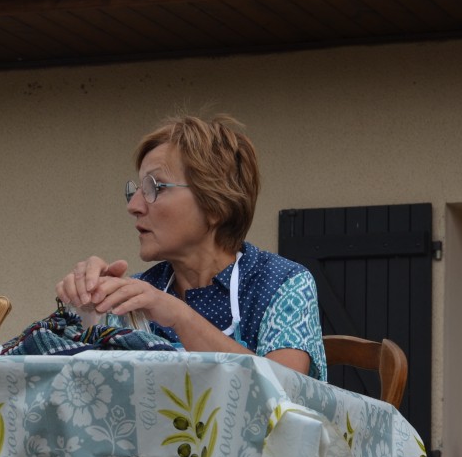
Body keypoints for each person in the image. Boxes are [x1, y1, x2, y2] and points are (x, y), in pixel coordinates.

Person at [56, 113, 326, 380]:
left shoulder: (282, 283)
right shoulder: (137, 297)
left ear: (215, 204)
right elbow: (84, 390)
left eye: (154, 187)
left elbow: (287, 387)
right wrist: (88, 309)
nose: (134, 206)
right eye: (135, 190)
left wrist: (179, 317)